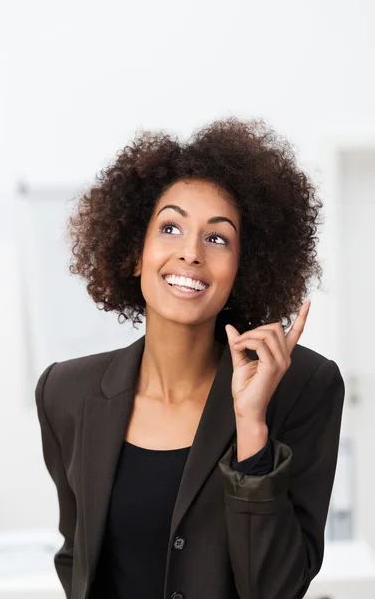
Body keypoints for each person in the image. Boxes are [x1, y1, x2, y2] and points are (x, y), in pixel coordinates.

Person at [35, 116, 345, 599]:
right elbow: (77, 556)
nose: (191, 253)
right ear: (136, 253)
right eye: (171, 227)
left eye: (217, 237)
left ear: (244, 268)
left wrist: (251, 424)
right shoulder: (65, 392)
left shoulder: (303, 385)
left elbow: (277, 589)